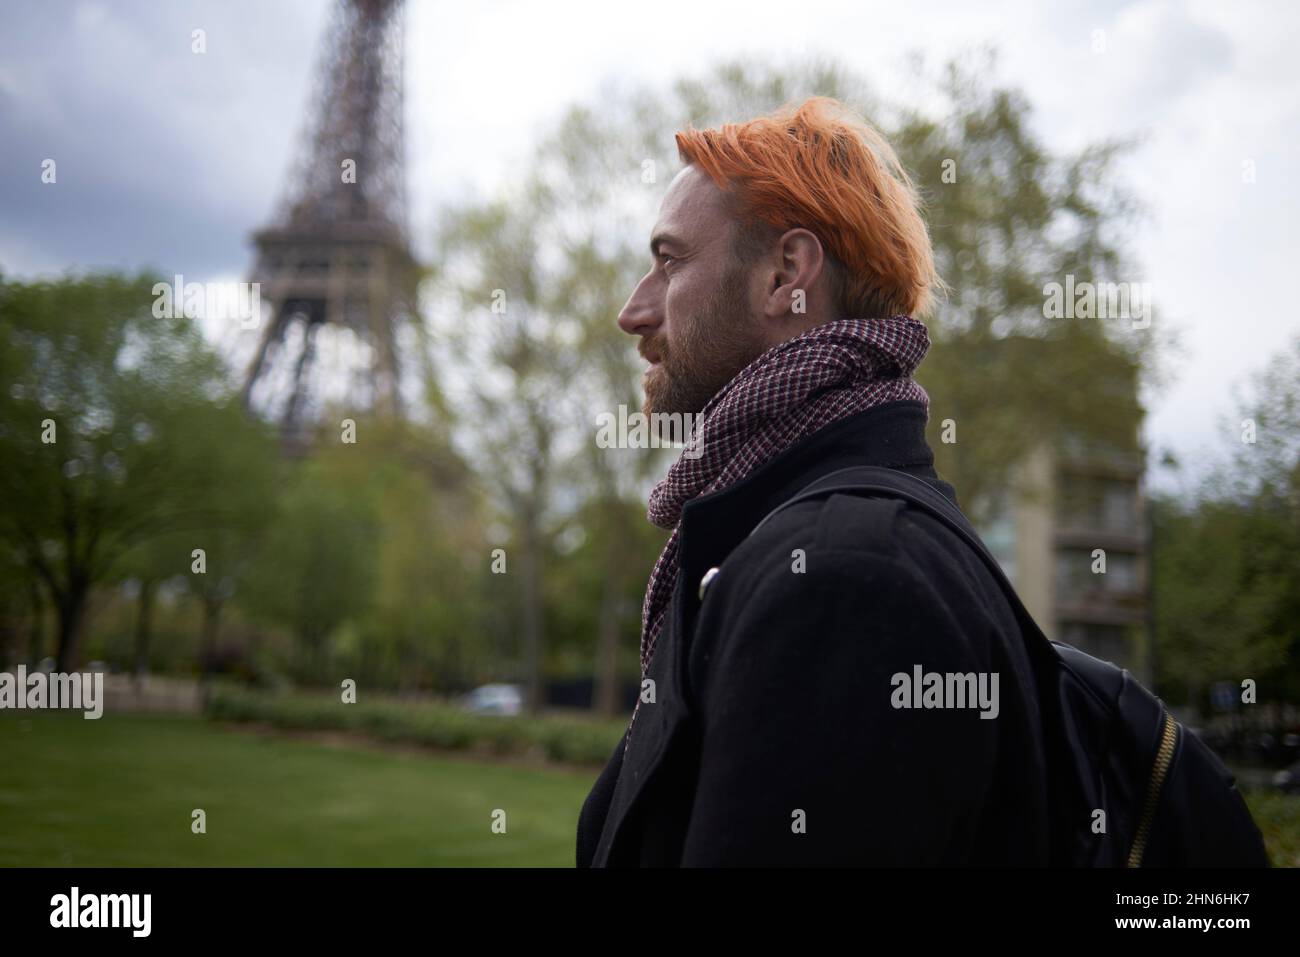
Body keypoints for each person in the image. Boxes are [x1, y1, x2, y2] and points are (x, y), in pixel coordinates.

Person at [576, 96, 1050, 866]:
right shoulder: (824, 534)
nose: (634, 312)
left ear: (785, 274)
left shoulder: (843, 578)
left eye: (670, 261)